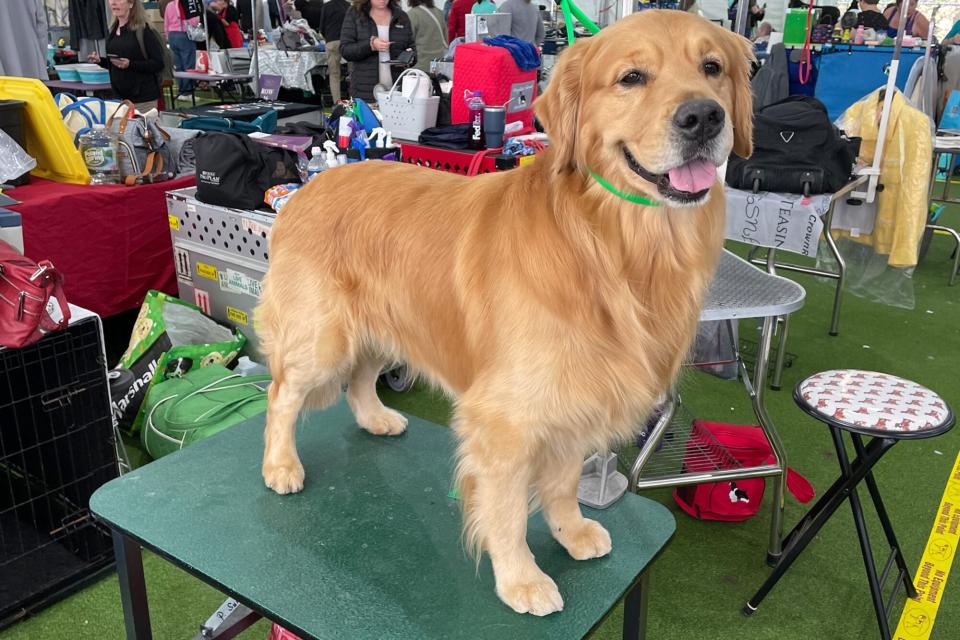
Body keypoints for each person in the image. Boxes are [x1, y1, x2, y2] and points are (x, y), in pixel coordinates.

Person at [88, 0, 165, 112]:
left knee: (143, 129)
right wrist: (101, 61)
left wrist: (131, 64)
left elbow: (158, 63)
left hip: (143, 100)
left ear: (131, 3)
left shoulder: (144, 30)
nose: (113, 3)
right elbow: (116, 63)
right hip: (120, 100)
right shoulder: (113, 30)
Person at [340, 0, 415, 102]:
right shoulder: (354, 13)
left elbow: (412, 50)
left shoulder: (401, 16)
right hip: (364, 91)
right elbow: (346, 50)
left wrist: (408, 57)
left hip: (397, 91)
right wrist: (371, 45)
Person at [162, 0, 200, 101]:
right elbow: (193, 21)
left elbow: (166, 22)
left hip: (172, 35)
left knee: (178, 65)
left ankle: (181, 91)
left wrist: (167, 35)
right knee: (189, 64)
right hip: (184, 34)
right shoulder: (188, 4)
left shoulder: (169, 5)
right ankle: (187, 91)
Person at [320, 0, 349, 103]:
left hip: (332, 41)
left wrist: (327, 38)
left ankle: (337, 103)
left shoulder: (326, 6)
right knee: (353, 74)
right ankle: (354, 101)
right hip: (348, 42)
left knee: (334, 74)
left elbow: (322, 27)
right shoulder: (348, 5)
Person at [408, 0, 447, 74]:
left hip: (420, 65)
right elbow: (445, 38)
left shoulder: (412, 14)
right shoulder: (439, 12)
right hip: (439, 63)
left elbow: (408, 42)